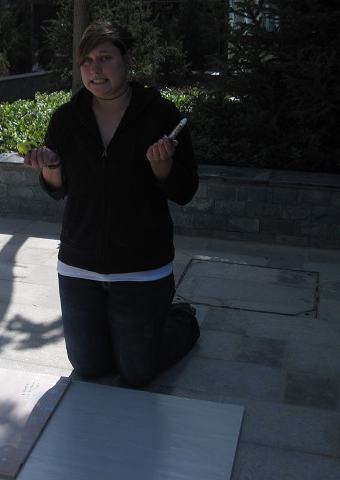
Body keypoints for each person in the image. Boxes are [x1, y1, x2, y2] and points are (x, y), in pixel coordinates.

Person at [22, 20, 200, 388]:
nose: (95, 70)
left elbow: (185, 190)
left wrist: (162, 167)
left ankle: (182, 320)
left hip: (141, 267)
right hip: (79, 265)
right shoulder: (67, 119)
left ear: (127, 59)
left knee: (136, 372)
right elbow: (57, 191)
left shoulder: (161, 116)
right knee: (89, 367)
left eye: (105, 58)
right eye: (86, 61)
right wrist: (51, 166)